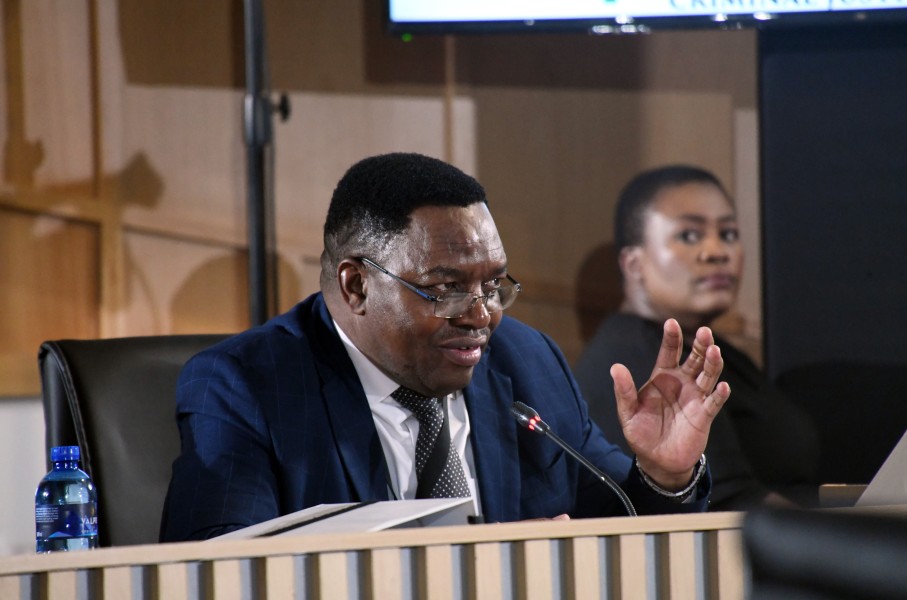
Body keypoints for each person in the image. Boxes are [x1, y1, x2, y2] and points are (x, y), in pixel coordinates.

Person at [160, 153, 730, 542]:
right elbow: (218, 572)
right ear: (356, 285)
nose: (482, 315)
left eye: (493, 284)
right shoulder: (246, 386)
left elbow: (620, 527)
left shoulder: (526, 363)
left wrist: (662, 475)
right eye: (446, 289)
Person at [574, 165, 820, 510]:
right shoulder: (634, 356)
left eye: (729, 233)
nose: (717, 251)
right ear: (633, 264)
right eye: (690, 236)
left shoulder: (719, 351)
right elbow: (729, 504)